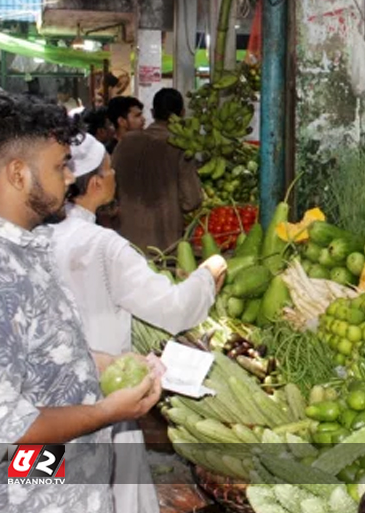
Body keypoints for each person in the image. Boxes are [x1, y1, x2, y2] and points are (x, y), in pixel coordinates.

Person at [0, 92, 162, 513]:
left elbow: (30, 352)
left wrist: (104, 364)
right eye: (61, 165)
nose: (70, 177)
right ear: (18, 174)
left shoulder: (20, 246)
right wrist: (104, 413)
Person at [51, 135, 226, 513]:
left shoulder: (32, 236)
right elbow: (175, 308)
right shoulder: (103, 246)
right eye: (110, 169)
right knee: (115, 489)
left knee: (51, 484)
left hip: (47, 412)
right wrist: (208, 275)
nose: (116, 174)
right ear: (96, 184)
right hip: (106, 398)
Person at [112, 88, 203, 250]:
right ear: (182, 113)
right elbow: (191, 201)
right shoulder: (180, 147)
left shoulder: (125, 142)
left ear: (153, 112)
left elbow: (112, 188)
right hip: (164, 246)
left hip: (126, 243)